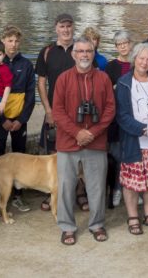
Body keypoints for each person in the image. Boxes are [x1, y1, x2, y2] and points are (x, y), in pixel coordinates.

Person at [53, 37, 116, 245]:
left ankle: (97, 224)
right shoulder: (63, 78)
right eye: (80, 51)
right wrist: (77, 132)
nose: (84, 55)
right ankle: (67, 226)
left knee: (97, 187)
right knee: (65, 186)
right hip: (68, 142)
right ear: (73, 54)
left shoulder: (103, 78)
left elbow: (109, 109)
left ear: (93, 52)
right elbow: (58, 111)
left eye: (88, 51)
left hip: (96, 142)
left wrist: (94, 132)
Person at [35, 14, 88, 212]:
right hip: (55, 112)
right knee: (54, 153)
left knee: (80, 151)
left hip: (79, 113)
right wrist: (48, 110)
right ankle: (55, 193)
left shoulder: (81, 49)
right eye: (62, 26)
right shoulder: (47, 51)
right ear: (56, 28)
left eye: (69, 26)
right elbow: (41, 82)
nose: (66, 30)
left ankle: (80, 192)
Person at [116, 43, 148, 235]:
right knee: (131, 181)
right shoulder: (123, 82)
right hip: (133, 139)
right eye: (141, 58)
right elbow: (122, 115)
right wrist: (143, 129)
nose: (144, 62)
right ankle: (132, 216)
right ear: (134, 59)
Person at [0, 25, 36, 216]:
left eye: (16, 41)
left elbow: (31, 95)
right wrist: (2, 120)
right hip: (0, 118)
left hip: (19, 119)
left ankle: (17, 195)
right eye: (9, 40)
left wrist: (21, 119)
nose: (13, 44)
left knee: (20, 155)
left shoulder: (26, 65)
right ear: (3, 41)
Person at [104, 30, 133, 208]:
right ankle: (115, 189)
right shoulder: (110, 67)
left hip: (132, 116)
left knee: (132, 156)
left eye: (125, 43)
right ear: (116, 47)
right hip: (115, 117)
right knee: (115, 156)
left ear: (131, 44)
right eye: (119, 44)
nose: (123, 47)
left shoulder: (137, 63)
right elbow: (106, 92)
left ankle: (131, 188)